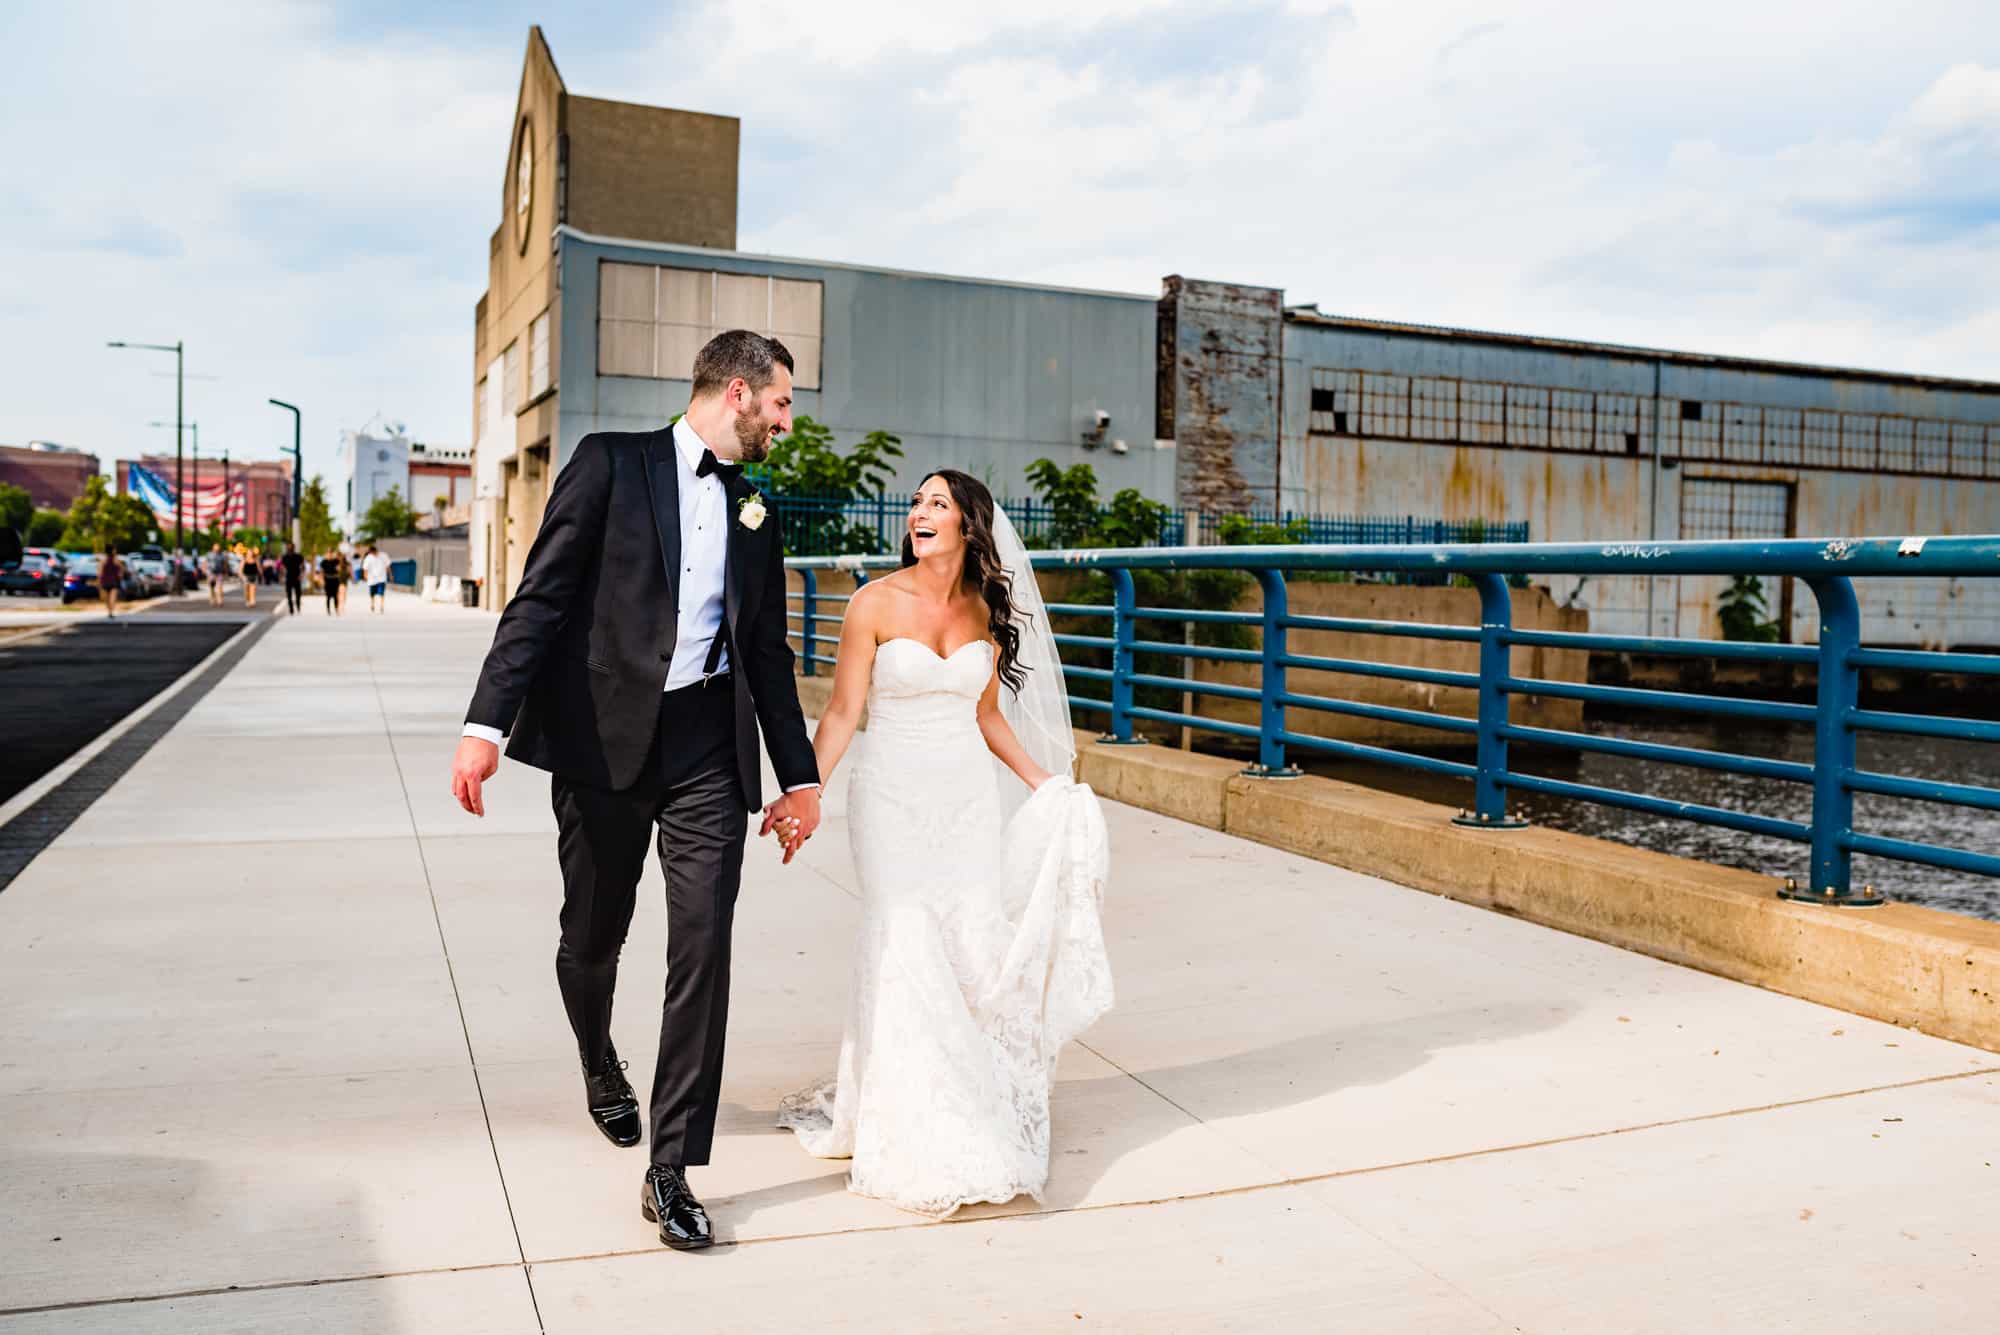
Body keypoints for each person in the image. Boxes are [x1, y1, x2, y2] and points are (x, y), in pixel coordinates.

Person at [450, 330, 819, 1252]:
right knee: (592, 936)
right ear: (737, 392)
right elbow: (538, 598)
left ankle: (671, 1168)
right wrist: (484, 726)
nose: (787, 419)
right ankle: (596, 1055)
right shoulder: (609, 465)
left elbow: (766, 656)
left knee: (702, 943)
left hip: (705, 750)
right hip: (602, 744)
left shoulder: (757, 513)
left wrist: (799, 775)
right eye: (780, 402)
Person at [775, 470, 1112, 1217]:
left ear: (969, 527)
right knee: (903, 937)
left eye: (938, 503)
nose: (919, 512)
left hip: (963, 804)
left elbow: (987, 713)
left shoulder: (985, 608)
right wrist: (808, 789)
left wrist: (1042, 781)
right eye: (918, 501)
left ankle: (957, 1096)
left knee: (966, 946)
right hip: (891, 797)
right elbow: (840, 713)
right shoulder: (872, 602)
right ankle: (914, 1125)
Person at [361, 545, 390, 613]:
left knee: (381, 593)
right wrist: (365, 576)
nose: (373, 554)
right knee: (372, 594)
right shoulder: (368, 558)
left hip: (382, 578)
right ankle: (372, 604)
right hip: (372, 579)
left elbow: (388, 565)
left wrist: (390, 574)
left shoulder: (384, 555)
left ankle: (382, 605)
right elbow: (365, 568)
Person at [98, 546, 121, 619]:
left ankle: (110, 611)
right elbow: (121, 569)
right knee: (112, 597)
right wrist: (119, 575)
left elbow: (100, 572)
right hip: (114, 580)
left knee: (107, 598)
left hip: (105, 581)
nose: (115, 551)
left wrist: (99, 581)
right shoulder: (116, 559)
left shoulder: (103, 560)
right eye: (114, 550)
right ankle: (111, 611)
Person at [282, 544, 305, 615]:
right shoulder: (285, 557)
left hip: (296, 577)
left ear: (293, 548)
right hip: (288, 577)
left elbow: (302, 566)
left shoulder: (298, 556)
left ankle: (298, 606)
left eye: (291, 547)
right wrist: (282, 576)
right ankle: (291, 608)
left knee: (298, 593)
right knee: (289, 594)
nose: (290, 549)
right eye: (288, 547)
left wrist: (301, 575)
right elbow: (283, 567)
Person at [319, 549, 342, 615]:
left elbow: (339, 569)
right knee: (328, 596)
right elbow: (321, 572)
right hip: (327, 580)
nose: (330, 555)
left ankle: (336, 609)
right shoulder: (324, 562)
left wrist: (338, 568)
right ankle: (328, 610)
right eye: (328, 553)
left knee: (335, 596)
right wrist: (322, 580)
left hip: (335, 579)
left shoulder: (336, 561)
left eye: (331, 553)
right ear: (326, 554)